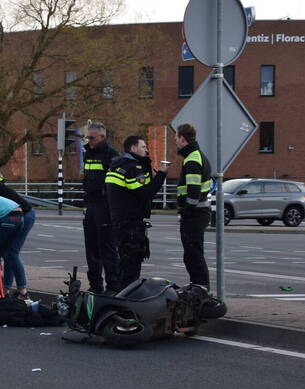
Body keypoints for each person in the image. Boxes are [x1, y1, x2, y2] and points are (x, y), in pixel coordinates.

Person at [106, 135, 169, 291]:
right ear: (133, 149)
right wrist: (161, 175)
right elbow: (145, 193)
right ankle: (127, 300)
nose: (147, 150)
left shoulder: (116, 165)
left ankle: (119, 295)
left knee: (123, 263)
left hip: (119, 221)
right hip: (131, 224)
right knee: (131, 266)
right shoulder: (133, 167)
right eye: (143, 147)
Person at [81, 122, 120, 293]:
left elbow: (114, 184)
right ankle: (95, 285)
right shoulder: (88, 154)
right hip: (91, 205)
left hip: (105, 206)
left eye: (92, 137)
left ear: (102, 137)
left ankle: (112, 286)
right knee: (91, 248)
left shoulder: (111, 155)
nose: (89, 140)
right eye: (87, 137)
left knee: (107, 248)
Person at [174, 123, 213, 289]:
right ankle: (197, 285)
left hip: (195, 213)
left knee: (193, 253)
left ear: (183, 139)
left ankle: (200, 287)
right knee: (192, 252)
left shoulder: (192, 160)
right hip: (198, 212)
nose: (175, 140)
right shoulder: (194, 156)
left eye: (176, 137)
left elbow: (193, 191)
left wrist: (186, 213)